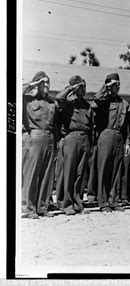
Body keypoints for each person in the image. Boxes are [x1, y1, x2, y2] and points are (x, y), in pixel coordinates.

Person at [55, 75, 94, 215]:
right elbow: (59, 98)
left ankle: (78, 204)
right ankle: (67, 205)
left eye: (84, 86)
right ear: (75, 88)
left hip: (85, 138)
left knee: (80, 174)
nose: (84, 89)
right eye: (81, 86)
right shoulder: (68, 103)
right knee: (69, 173)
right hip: (71, 138)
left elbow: (92, 125)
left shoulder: (87, 105)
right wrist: (71, 88)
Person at [22, 71, 58, 219]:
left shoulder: (51, 102)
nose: (47, 85)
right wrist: (33, 85)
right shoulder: (28, 99)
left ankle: (42, 207)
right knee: (32, 173)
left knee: (47, 175)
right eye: (44, 82)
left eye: (48, 82)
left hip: (50, 137)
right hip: (35, 135)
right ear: (37, 84)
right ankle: (29, 208)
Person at [93, 73, 129, 213]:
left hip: (119, 136)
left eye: (118, 84)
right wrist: (106, 86)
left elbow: (126, 126)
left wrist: (126, 142)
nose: (117, 86)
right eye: (114, 84)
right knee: (104, 169)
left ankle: (113, 200)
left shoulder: (123, 103)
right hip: (106, 135)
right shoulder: (104, 101)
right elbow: (97, 98)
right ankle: (103, 202)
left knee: (116, 170)